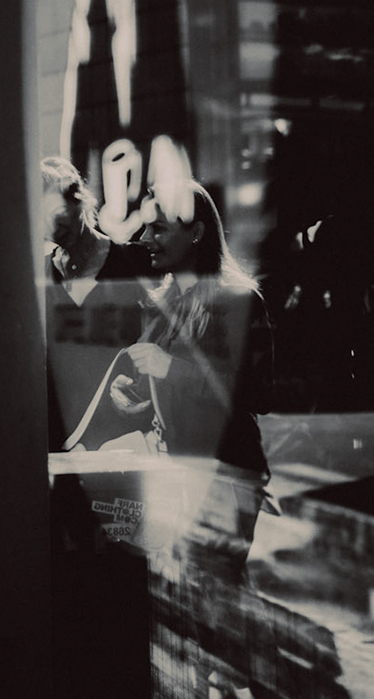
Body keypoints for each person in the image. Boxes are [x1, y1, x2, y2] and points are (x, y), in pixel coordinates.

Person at [125, 177, 275, 580]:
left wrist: (170, 368)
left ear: (196, 233)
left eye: (158, 229)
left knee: (209, 586)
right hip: (174, 476)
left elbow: (257, 393)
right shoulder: (160, 305)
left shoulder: (238, 299)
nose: (145, 238)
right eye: (145, 228)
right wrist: (135, 394)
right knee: (186, 593)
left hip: (224, 476)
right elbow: (167, 390)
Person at [41, 155, 153, 451]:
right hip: (59, 441)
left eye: (56, 212)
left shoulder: (135, 262)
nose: (51, 226)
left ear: (79, 200)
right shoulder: (38, 274)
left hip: (121, 435)